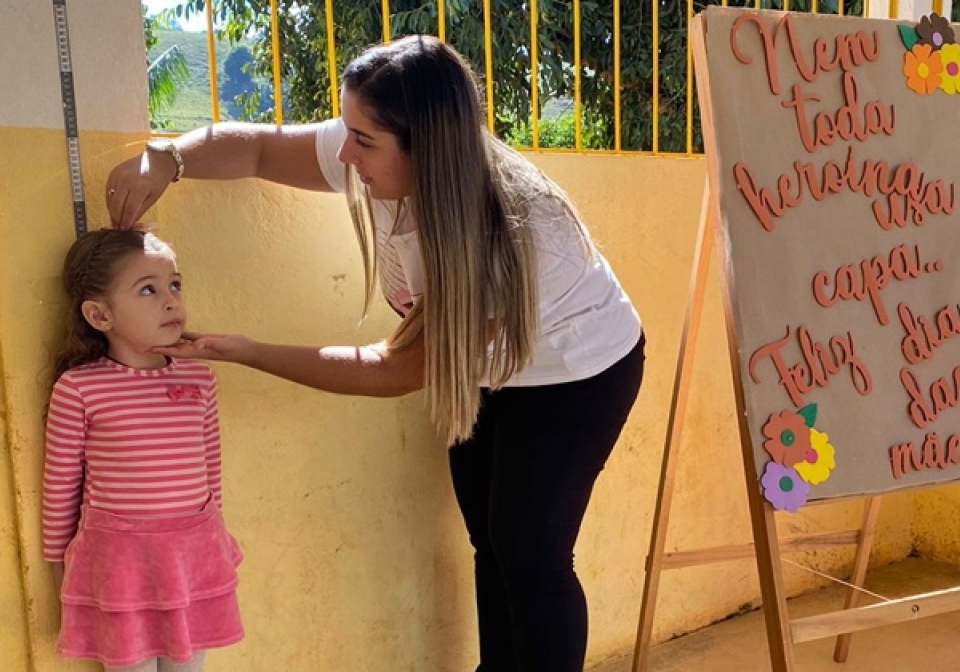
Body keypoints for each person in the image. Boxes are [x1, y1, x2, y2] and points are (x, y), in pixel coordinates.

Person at [106, 35, 643, 671]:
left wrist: (247, 351)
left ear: (428, 149)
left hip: (576, 370)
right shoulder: (375, 152)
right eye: (348, 128)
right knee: (490, 543)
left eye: (363, 140)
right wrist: (166, 158)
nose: (343, 151)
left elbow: (397, 369)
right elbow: (252, 147)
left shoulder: (512, 233)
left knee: (531, 553)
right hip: (480, 362)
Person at [41, 228, 244, 672]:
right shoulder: (79, 389)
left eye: (174, 285)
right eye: (148, 290)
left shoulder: (199, 378)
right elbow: (59, 492)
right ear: (99, 315)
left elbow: (211, 475)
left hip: (191, 559)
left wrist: (216, 545)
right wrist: (62, 580)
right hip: (121, 569)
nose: (171, 301)